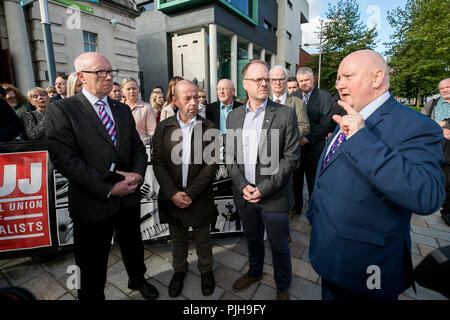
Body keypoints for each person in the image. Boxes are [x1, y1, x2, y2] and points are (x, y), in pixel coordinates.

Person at [307, 50, 445, 300]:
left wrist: (362, 140)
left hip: (367, 269)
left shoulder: (417, 126)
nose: (338, 84)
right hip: (329, 255)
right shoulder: (347, 114)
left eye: (347, 76)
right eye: (338, 78)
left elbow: (427, 195)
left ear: (377, 78)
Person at [45, 52, 159, 300]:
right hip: (92, 203)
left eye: (110, 72)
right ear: (83, 77)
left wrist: (137, 176)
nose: (108, 77)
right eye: (101, 72)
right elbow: (66, 160)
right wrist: (108, 188)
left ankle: (138, 279)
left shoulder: (120, 108)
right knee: (91, 263)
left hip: (127, 198)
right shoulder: (62, 110)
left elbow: (138, 148)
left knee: (133, 245)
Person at [226, 60, 301, 300]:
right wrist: (243, 186)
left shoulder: (286, 114)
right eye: (258, 79)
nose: (264, 83)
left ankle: (283, 284)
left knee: (279, 245)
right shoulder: (234, 116)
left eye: (266, 79)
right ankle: (255, 272)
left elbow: (291, 159)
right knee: (253, 239)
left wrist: (262, 189)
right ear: (245, 84)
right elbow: (230, 156)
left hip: (274, 197)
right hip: (244, 195)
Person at [152, 80, 218, 298]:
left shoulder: (209, 127)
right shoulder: (164, 127)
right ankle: (179, 271)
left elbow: (211, 165)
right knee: (177, 237)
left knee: (203, 237)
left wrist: (190, 193)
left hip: (199, 196)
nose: (194, 103)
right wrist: (172, 193)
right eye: (188, 98)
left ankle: (206, 270)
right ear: (175, 101)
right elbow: (159, 162)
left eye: (196, 98)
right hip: (173, 196)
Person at [291, 67, 333, 217]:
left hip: (314, 147)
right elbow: (290, 120)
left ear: (313, 79)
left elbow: (325, 122)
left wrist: (307, 138)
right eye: (300, 81)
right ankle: (296, 207)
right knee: (295, 179)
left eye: (306, 80)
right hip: (296, 147)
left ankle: (314, 209)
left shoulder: (325, 97)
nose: (303, 83)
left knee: (313, 180)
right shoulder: (293, 96)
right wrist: (298, 137)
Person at [421, 78, 450, 226]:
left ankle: (447, 210)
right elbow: (422, 118)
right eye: (441, 88)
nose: (444, 90)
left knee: (448, 178)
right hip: (435, 143)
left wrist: (446, 123)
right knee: (431, 171)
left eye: (447, 87)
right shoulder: (433, 102)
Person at [270, 66, 310, 138]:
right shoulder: (263, 101)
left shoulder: (299, 103)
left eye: (281, 79)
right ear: (270, 81)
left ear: (286, 81)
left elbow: (304, 127)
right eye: (274, 79)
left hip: (289, 147)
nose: (278, 82)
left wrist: (288, 136)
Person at [121, 77, 157, 144]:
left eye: (134, 88)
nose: (132, 91)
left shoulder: (146, 108)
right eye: (128, 89)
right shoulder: (117, 107)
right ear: (122, 91)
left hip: (140, 149)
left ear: (138, 90)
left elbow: (152, 133)